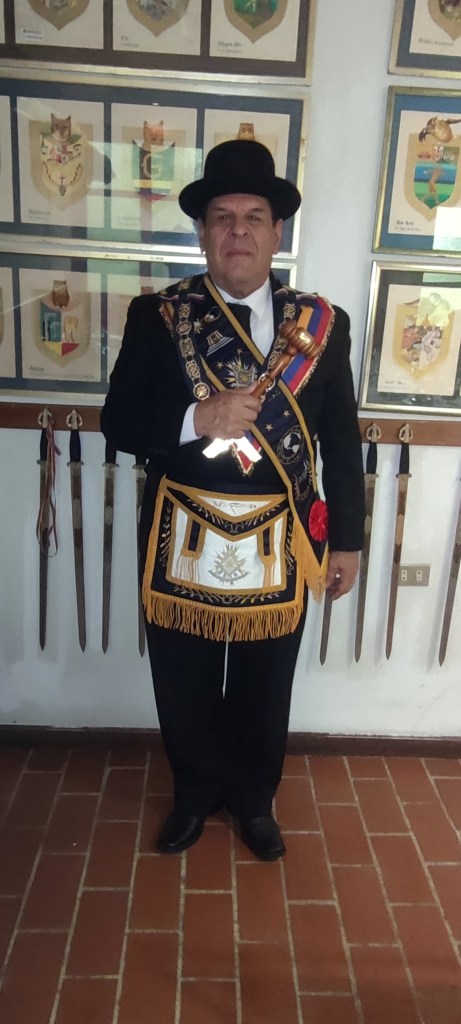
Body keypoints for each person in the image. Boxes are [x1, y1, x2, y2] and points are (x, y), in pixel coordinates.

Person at [101, 139, 365, 861]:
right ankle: (193, 793)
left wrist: (346, 539)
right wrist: (197, 418)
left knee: (265, 680)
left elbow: (341, 440)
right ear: (202, 232)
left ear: (277, 233)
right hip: (182, 532)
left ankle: (252, 799)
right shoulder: (159, 315)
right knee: (182, 675)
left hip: (281, 536)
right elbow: (119, 422)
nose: (238, 230)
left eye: (253, 217)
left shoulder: (321, 326)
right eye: (223, 217)